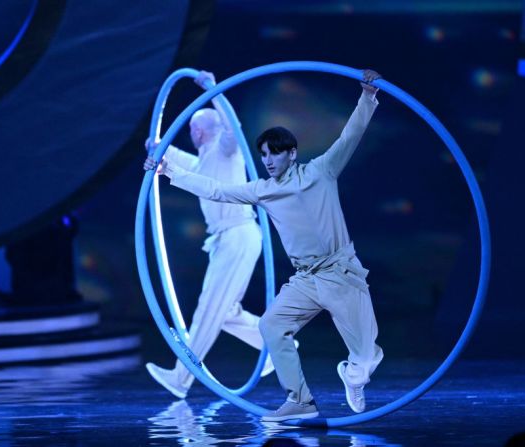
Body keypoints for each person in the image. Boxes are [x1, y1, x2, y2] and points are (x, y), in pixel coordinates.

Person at [144, 69, 384, 421]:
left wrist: (367, 96)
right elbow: (214, 188)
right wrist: (167, 170)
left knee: (366, 356)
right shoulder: (262, 189)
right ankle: (299, 400)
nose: (268, 161)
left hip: (341, 271)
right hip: (306, 278)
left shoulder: (321, 171)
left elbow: (350, 136)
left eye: (274, 154)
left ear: (292, 153)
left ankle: (355, 375)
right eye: (264, 156)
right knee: (270, 325)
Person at [145, 71, 282, 399]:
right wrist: (156, 152)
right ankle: (276, 345)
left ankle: (182, 377)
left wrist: (213, 89)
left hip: (238, 236)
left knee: (209, 309)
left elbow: (233, 129)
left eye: (193, 129)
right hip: (227, 240)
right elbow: (176, 159)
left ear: (198, 130)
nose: (191, 133)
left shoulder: (225, 149)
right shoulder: (206, 160)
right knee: (226, 312)